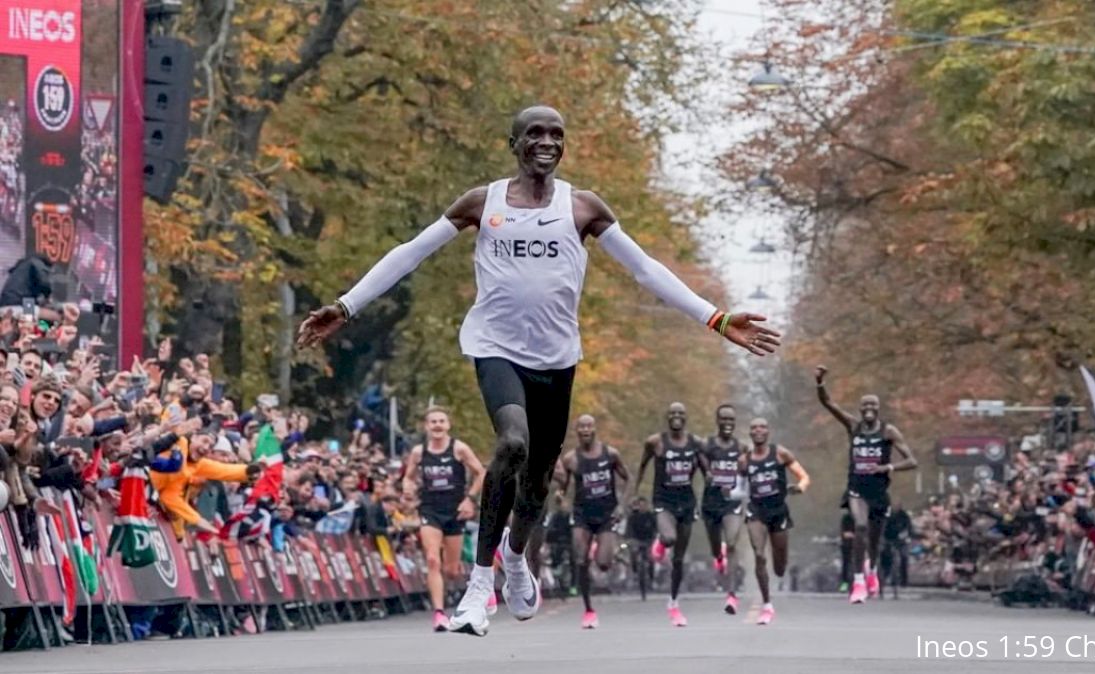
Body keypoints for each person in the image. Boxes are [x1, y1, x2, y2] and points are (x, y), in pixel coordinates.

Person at [295, 105, 780, 636]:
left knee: (538, 481)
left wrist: (715, 317)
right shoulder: (483, 202)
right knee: (512, 445)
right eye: (535, 133)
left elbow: (645, 269)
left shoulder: (584, 207)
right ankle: (480, 586)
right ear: (514, 144)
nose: (546, 141)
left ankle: (515, 555)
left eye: (556, 134)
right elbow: (410, 253)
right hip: (495, 347)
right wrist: (345, 307)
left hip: (556, 359)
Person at [815, 365, 917, 604]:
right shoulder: (853, 426)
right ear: (860, 409)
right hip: (856, 488)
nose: (868, 408)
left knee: (874, 540)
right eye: (865, 405)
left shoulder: (888, 431)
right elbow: (829, 404)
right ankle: (858, 580)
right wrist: (820, 383)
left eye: (873, 405)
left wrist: (887, 467)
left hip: (878, 491)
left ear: (878, 409)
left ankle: (871, 571)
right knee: (860, 527)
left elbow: (912, 460)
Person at [401, 406, 488, 632]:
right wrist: (408, 489)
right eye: (433, 422)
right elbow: (408, 477)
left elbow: (480, 472)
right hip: (429, 509)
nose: (438, 425)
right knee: (432, 559)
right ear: (427, 426)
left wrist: (470, 499)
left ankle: (477, 590)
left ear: (448, 425)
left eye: (441, 421)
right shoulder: (419, 452)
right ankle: (439, 613)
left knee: (451, 570)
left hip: (454, 510)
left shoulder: (459, 448)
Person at [551, 414, 629, 629]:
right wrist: (560, 495)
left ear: (595, 429)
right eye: (581, 427)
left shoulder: (610, 454)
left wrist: (621, 505)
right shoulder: (571, 459)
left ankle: (601, 549)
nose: (585, 430)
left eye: (589, 426)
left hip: (605, 515)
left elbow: (626, 478)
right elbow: (563, 486)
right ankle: (588, 610)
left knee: (604, 564)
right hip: (582, 514)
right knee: (580, 559)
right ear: (577, 431)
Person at [633, 402, 706, 627]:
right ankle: (661, 541)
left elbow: (706, 471)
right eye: (672, 413)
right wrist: (635, 492)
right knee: (669, 537)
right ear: (667, 417)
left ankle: (673, 602)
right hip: (663, 501)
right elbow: (643, 466)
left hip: (686, 502)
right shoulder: (655, 442)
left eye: (680, 413)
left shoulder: (695, 443)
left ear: (686, 418)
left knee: (678, 559)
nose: (676, 416)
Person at [740, 417, 810, 625]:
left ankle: (778, 568)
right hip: (756, 512)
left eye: (762, 427)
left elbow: (804, 476)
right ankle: (767, 605)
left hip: (778, 512)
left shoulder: (781, 453)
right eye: (754, 428)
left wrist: (800, 487)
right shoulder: (744, 461)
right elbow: (736, 487)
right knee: (759, 555)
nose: (758, 430)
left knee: (780, 567)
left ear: (768, 432)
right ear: (750, 434)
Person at [699, 403, 748, 614]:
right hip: (711, 503)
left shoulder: (742, 448)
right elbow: (698, 462)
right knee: (716, 548)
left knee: (732, 542)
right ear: (717, 421)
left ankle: (731, 594)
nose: (728, 423)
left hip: (732, 503)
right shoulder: (707, 445)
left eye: (731, 420)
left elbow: (748, 474)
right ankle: (718, 559)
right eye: (724, 419)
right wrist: (707, 472)